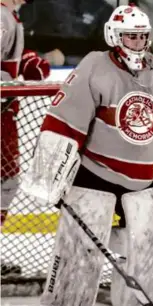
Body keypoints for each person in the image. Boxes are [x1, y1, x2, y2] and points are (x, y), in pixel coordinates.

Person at [21, 4, 153, 306]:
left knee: (150, 257)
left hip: (144, 184)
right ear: (114, 36)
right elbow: (64, 120)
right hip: (94, 178)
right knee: (77, 265)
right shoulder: (94, 67)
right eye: (130, 37)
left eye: (142, 37)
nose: (138, 44)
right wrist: (52, 178)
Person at [1, 0, 50, 274]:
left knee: (6, 181)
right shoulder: (1, 15)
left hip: (5, 113)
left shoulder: (9, 15)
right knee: (5, 181)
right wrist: (10, 81)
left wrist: (25, 61)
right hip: (1, 111)